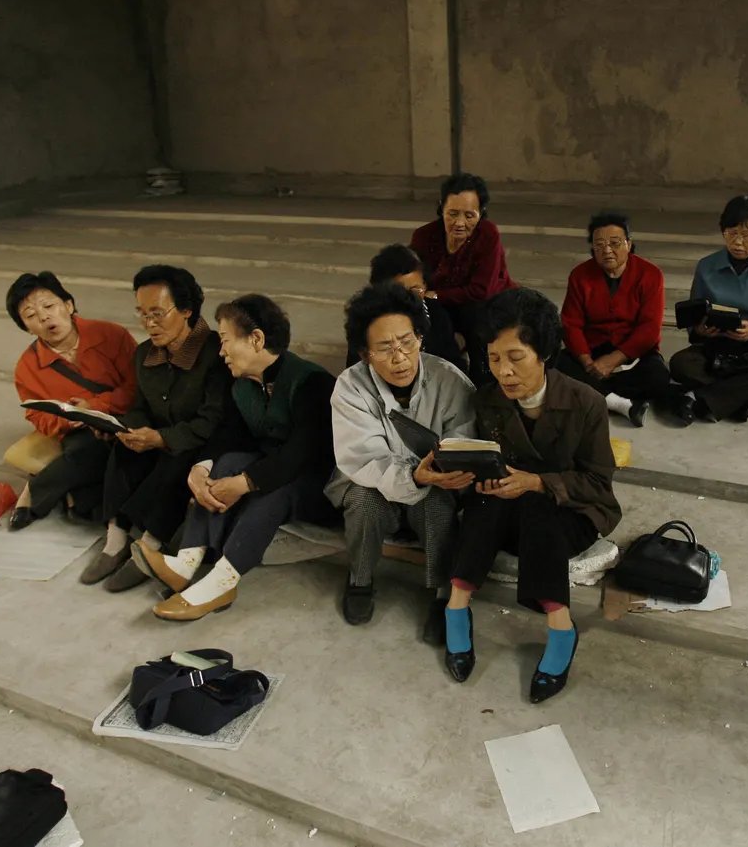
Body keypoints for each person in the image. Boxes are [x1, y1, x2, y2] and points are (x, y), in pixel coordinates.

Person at [443, 288, 621, 704]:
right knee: (487, 503)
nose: (503, 372)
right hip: (508, 511)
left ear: (543, 354)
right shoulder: (485, 400)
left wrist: (537, 482)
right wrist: (481, 479)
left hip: (572, 514)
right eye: (493, 359)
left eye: (515, 358)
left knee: (539, 503)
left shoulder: (586, 403)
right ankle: (456, 607)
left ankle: (561, 626)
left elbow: (597, 483)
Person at [131, 294, 339, 621]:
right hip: (271, 469)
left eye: (226, 340)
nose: (221, 350)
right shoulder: (242, 384)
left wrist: (244, 483)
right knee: (226, 462)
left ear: (256, 339)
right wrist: (202, 468)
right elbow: (229, 434)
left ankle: (222, 582)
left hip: (316, 485)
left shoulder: (312, 382)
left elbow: (301, 455)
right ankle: (184, 564)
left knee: (273, 488)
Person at [327, 284, 476, 637]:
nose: (399, 358)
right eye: (384, 348)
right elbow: (364, 458)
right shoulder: (350, 388)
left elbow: (465, 440)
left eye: (406, 342)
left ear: (420, 339)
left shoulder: (450, 380)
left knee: (438, 505)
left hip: (437, 484)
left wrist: (440, 472)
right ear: (364, 353)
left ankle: (444, 596)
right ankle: (360, 578)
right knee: (364, 500)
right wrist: (414, 475)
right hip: (374, 481)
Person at [81, 265, 232, 590]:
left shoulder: (215, 353)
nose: (148, 323)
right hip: (158, 441)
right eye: (141, 313)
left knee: (181, 457)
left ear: (187, 309)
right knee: (123, 445)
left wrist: (161, 438)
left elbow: (212, 421)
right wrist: (132, 430)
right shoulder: (144, 354)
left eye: (158, 314)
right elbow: (138, 407)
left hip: (202, 444)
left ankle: (150, 545)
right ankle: (116, 539)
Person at [6, 272, 137, 531]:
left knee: (122, 454)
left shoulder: (111, 335)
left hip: (128, 414)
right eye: (31, 316)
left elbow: (137, 386)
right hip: (80, 431)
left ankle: (36, 490)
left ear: (68, 305)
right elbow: (37, 417)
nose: (44, 317)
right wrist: (74, 419)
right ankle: (75, 500)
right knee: (87, 455)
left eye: (49, 306)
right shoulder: (27, 367)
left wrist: (95, 406)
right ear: (26, 327)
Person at [669, 196, 748, 425]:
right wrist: (699, 329)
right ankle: (743, 399)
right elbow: (694, 310)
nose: (737, 242)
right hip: (714, 347)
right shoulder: (707, 266)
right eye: (731, 233)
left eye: (747, 235)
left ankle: (695, 398)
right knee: (680, 364)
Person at [556, 211, 671, 427]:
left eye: (615, 243)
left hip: (631, 354)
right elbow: (571, 323)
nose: (607, 250)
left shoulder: (650, 274)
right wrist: (588, 362)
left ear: (628, 244)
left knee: (658, 377)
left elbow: (649, 329)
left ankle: (595, 393)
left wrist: (613, 361)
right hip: (592, 350)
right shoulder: (580, 275)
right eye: (599, 245)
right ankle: (621, 404)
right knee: (555, 365)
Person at [410, 172, 516, 385]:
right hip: (445, 304)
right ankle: (449, 379)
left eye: (469, 215)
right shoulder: (423, 236)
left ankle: (483, 385)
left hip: (486, 302)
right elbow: (414, 277)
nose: (459, 223)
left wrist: (436, 294)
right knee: (430, 315)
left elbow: (481, 290)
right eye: (452, 213)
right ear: (441, 207)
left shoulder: (488, 234)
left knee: (479, 321)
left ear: (481, 212)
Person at [345, 244, 464, 372]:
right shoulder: (366, 320)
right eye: (400, 291)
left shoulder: (436, 313)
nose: (408, 299)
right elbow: (357, 371)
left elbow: (453, 363)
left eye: (415, 289)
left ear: (425, 285)